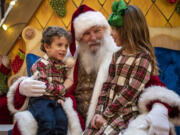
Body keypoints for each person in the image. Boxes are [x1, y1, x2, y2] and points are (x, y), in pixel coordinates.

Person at [7, 4, 180, 135]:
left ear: (107, 30)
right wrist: (23, 87)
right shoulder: (67, 58)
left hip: (114, 116)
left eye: (97, 31)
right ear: (78, 39)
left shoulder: (122, 53)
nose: (93, 38)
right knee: (25, 122)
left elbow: (153, 84)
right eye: (86, 34)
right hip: (71, 117)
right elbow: (43, 76)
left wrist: (160, 108)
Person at [82, 0, 166, 134]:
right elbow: (106, 86)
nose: (110, 34)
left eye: (114, 29)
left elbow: (129, 94)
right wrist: (98, 113)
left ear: (127, 30)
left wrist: (106, 115)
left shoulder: (143, 59)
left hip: (124, 115)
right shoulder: (116, 55)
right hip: (106, 112)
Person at [28, 26, 74, 135]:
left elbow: (70, 79)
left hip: (56, 101)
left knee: (62, 122)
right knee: (48, 122)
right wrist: (62, 88)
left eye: (66, 46)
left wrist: (71, 66)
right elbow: (44, 87)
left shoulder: (62, 65)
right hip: (40, 100)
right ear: (47, 46)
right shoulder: (39, 65)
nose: (64, 49)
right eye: (59, 45)